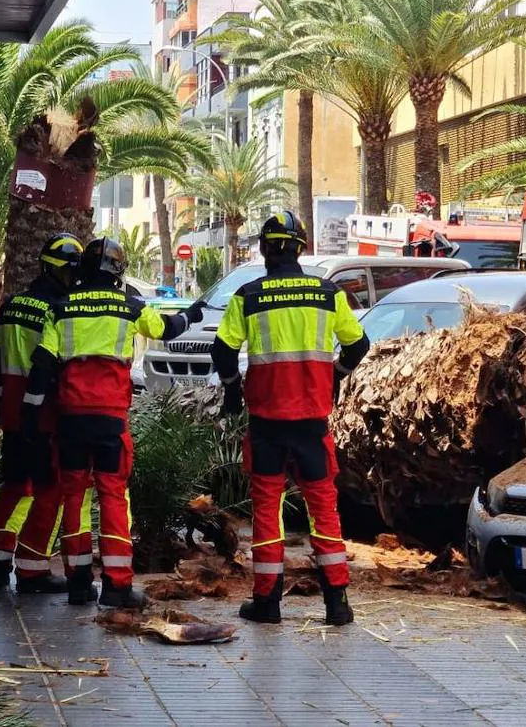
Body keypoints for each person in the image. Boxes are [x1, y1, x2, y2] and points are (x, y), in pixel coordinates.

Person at [23, 237, 204, 608]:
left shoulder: (60, 307)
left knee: (73, 497)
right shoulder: (130, 305)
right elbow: (165, 330)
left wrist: (29, 415)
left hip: (71, 419)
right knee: (113, 498)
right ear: (117, 271)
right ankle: (117, 587)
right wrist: (193, 314)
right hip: (110, 421)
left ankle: (77, 582)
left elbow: (42, 365)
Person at [211, 211, 371, 626]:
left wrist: (232, 389)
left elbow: (223, 351)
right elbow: (359, 345)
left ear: (264, 249)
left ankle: (267, 603)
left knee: (267, 511)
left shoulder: (248, 295)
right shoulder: (328, 293)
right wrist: (334, 375)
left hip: (266, 423)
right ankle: (337, 603)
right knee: (324, 509)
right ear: (300, 248)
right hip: (312, 423)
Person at [0, 234, 84, 593]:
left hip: (11, 414)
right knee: (48, 491)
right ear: (60, 272)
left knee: (13, 487)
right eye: (73, 273)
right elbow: (51, 366)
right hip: (42, 417)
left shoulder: (11, 306)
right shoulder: (56, 310)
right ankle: (31, 570)